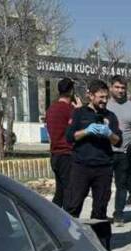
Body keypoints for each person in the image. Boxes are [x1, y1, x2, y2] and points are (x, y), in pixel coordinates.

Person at [65, 79, 121, 250]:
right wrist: (86, 131)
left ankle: (101, 246)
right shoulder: (79, 113)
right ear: (90, 95)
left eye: (106, 97)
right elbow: (69, 137)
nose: (104, 100)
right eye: (100, 97)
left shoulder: (110, 116)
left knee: (100, 208)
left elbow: (118, 141)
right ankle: (68, 242)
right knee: (73, 205)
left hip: (103, 167)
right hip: (81, 166)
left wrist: (109, 133)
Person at [106, 76, 131, 225]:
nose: (120, 90)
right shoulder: (105, 105)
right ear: (111, 88)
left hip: (125, 152)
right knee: (103, 185)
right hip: (106, 152)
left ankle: (119, 214)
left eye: (123, 88)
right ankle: (100, 214)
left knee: (122, 185)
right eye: (117, 87)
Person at [46, 77, 80, 208]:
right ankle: (66, 221)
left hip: (55, 155)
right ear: (71, 91)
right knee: (69, 191)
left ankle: (51, 216)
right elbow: (77, 128)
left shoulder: (51, 109)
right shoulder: (70, 110)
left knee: (59, 191)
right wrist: (79, 110)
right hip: (67, 154)